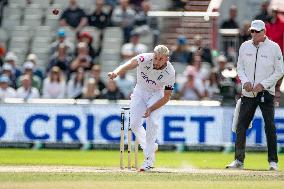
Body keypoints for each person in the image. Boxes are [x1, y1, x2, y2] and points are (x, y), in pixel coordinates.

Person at [226, 20, 284, 171]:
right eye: (252, 31)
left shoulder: (274, 48)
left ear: (264, 32)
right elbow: (240, 67)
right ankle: (238, 160)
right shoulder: (245, 46)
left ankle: (273, 162)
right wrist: (244, 81)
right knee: (241, 125)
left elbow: (279, 71)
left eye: (257, 31)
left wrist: (263, 85)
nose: (254, 34)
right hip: (248, 92)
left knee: (270, 126)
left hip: (266, 92)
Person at [108, 45, 175, 171]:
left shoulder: (170, 72)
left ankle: (149, 160)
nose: (157, 61)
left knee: (153, 122)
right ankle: (150, 147)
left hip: (157, 94)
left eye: (161, 59)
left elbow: (166, 97)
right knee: (133, 124)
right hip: (140, 91)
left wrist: (151, 108)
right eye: (156, 58)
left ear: (166, 59)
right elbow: (130, 63)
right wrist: (116, 72)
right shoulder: (144, 58)